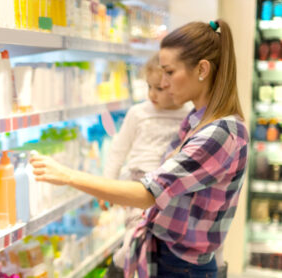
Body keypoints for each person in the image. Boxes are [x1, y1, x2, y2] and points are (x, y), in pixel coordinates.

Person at [31, 19, 248, 278]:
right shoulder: (196, 121)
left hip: (183, 267)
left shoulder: (220, 133)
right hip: (168, 257)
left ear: (202, 69)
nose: (164, 84)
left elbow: (149, 193)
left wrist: (69, 176)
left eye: (169, 72)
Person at [102, 54, 190, 276]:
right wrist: (106, 187)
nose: (152, 94)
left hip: (170, 189)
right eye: (149, 87)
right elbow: (118, 151)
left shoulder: (187, 116)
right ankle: (118, 268)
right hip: (138, 184)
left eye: (159, 88)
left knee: (159, 243)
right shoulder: (138, 112)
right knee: (134, 235)